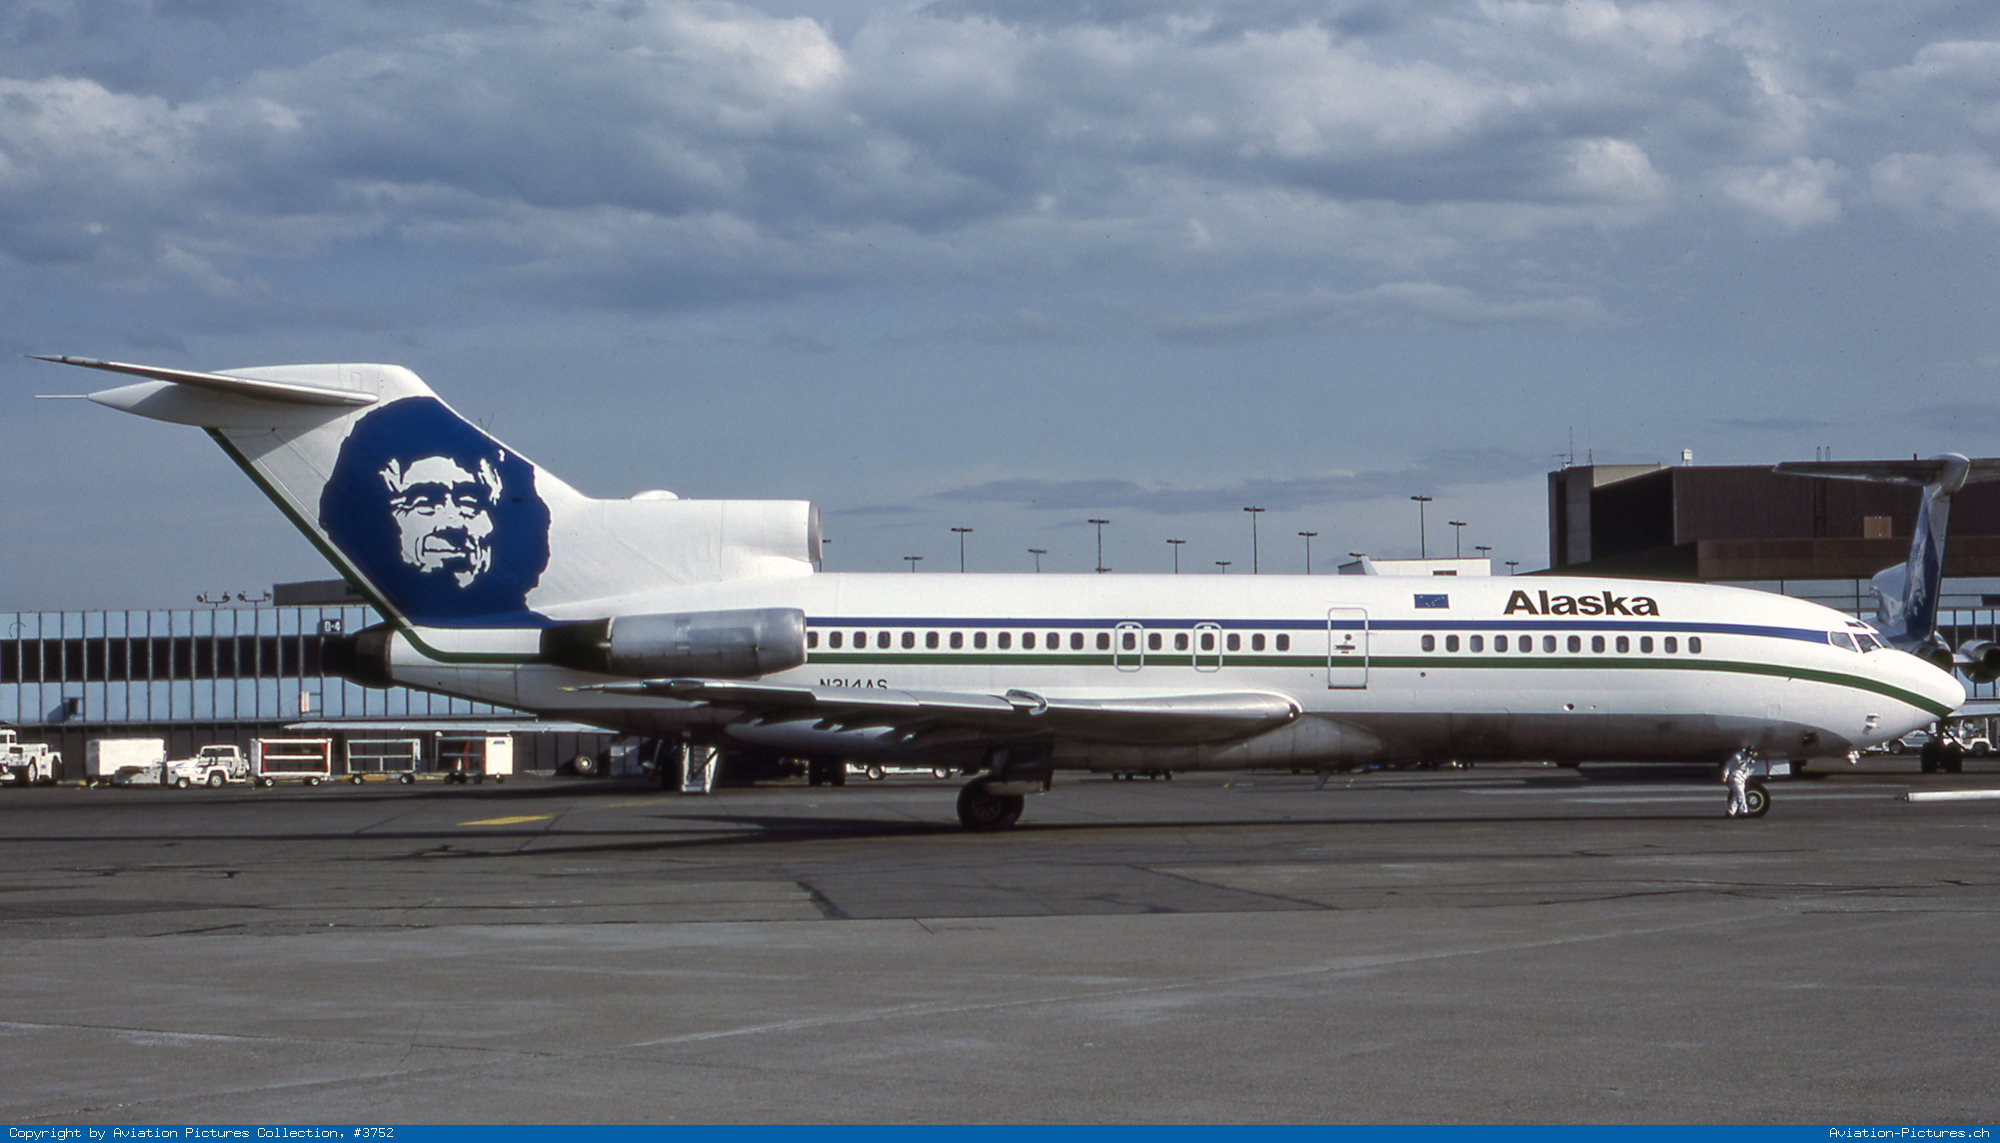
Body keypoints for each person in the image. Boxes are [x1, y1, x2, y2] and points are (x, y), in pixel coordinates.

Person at [1723, 749, 1756, 818]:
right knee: (1741, 795)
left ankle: (1730, 811)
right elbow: (1728, 766)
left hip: (1742, 778)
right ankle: (1743, 811)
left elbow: (1746, 767)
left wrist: (1747, 775)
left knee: (1736, 796)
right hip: (1735, 777)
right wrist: (1725, 776)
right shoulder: (1737, 757)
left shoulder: (1747, 758)